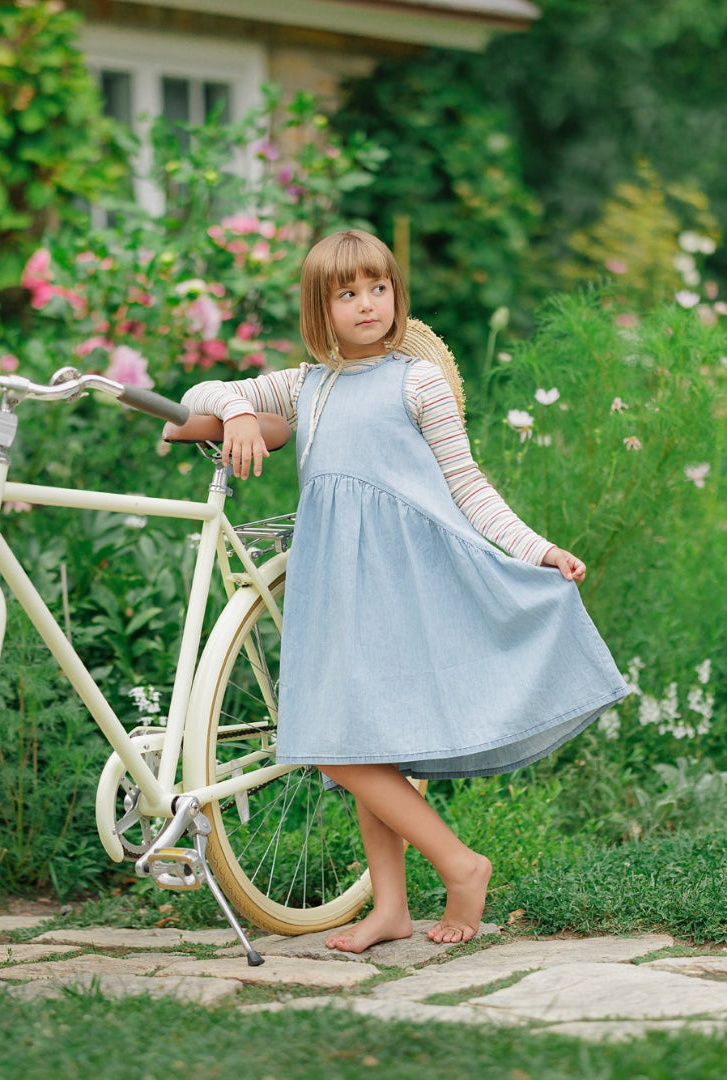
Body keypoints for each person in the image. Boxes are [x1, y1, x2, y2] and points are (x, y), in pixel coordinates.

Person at [181, 229, 628, 953]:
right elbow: (203, 390)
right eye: (347, 293)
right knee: (362, 741)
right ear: (318, 309)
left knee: (337, 745)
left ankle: (460, 863)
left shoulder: (415, 382)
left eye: (378, 289)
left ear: (396, 295)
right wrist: (234, 412)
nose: (367, 305)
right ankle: (390, 907)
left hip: (408, 576)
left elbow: (467, 483)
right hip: (335, 585)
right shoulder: (304, 388)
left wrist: (535, 548)